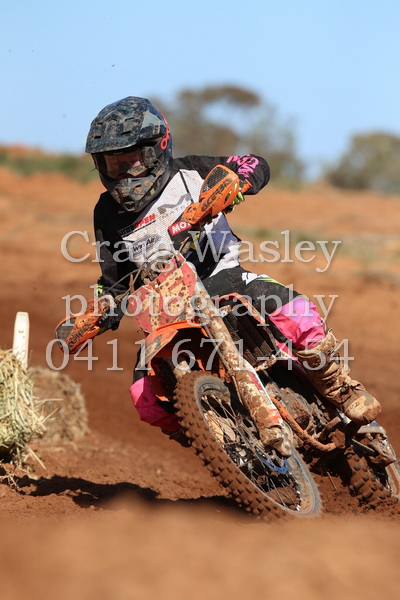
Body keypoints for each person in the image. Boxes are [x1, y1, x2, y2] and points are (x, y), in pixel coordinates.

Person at [83, 95, 381, 445]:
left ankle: (338, 386)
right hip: (167, 310)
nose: (122, 174)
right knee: (144, 397)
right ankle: (218, 443)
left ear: (155, 150)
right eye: (112, 165)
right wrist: (99, 311)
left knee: (297, 313)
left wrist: (236, 183)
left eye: (130, 162)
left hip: (225, 279)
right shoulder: (106, 212)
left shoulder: (192, 172)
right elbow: (115, 278)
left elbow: (253, 163)